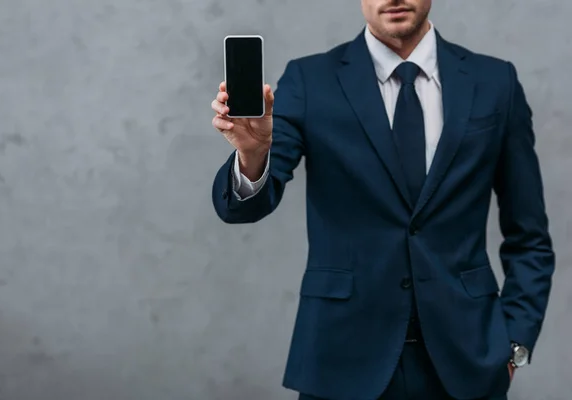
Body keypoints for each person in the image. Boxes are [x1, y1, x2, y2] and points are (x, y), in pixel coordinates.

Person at [210, 0, 555, 399]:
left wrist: (514, 346)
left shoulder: (495, 82)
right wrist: (253, 154)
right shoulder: (310, 80)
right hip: (342, 359)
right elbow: (246, 206)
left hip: (468, 362)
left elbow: (529, 237)